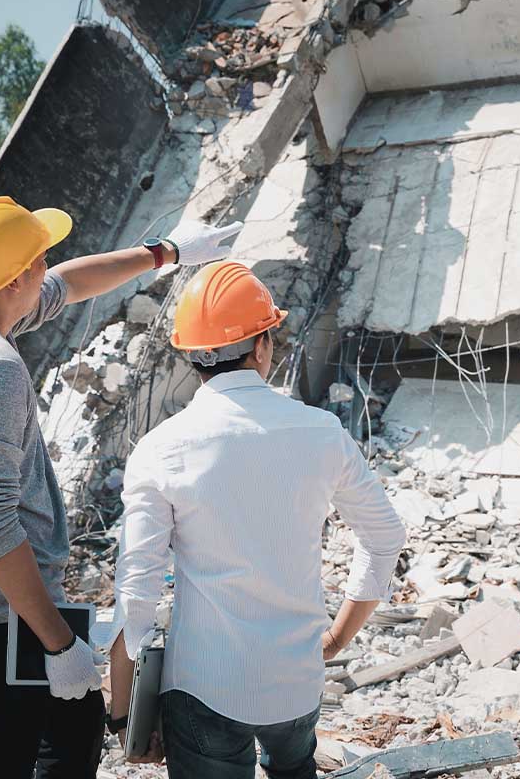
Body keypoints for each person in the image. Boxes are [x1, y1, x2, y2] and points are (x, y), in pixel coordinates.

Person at [0, 195, 242, 778]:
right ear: (16, 279)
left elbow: (65, 283)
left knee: (72, 735)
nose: (48, 264)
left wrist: (165, 253)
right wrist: (59, 644)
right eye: (39, 255)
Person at [107, 261, 407, 779]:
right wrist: (336, 639)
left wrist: (123, 717)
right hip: (296, 680)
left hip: (205, 684)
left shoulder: (161, 449)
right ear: (262, 345)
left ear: (192, 356)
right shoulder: (322, 432)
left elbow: (137, 595)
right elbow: (386, 537)